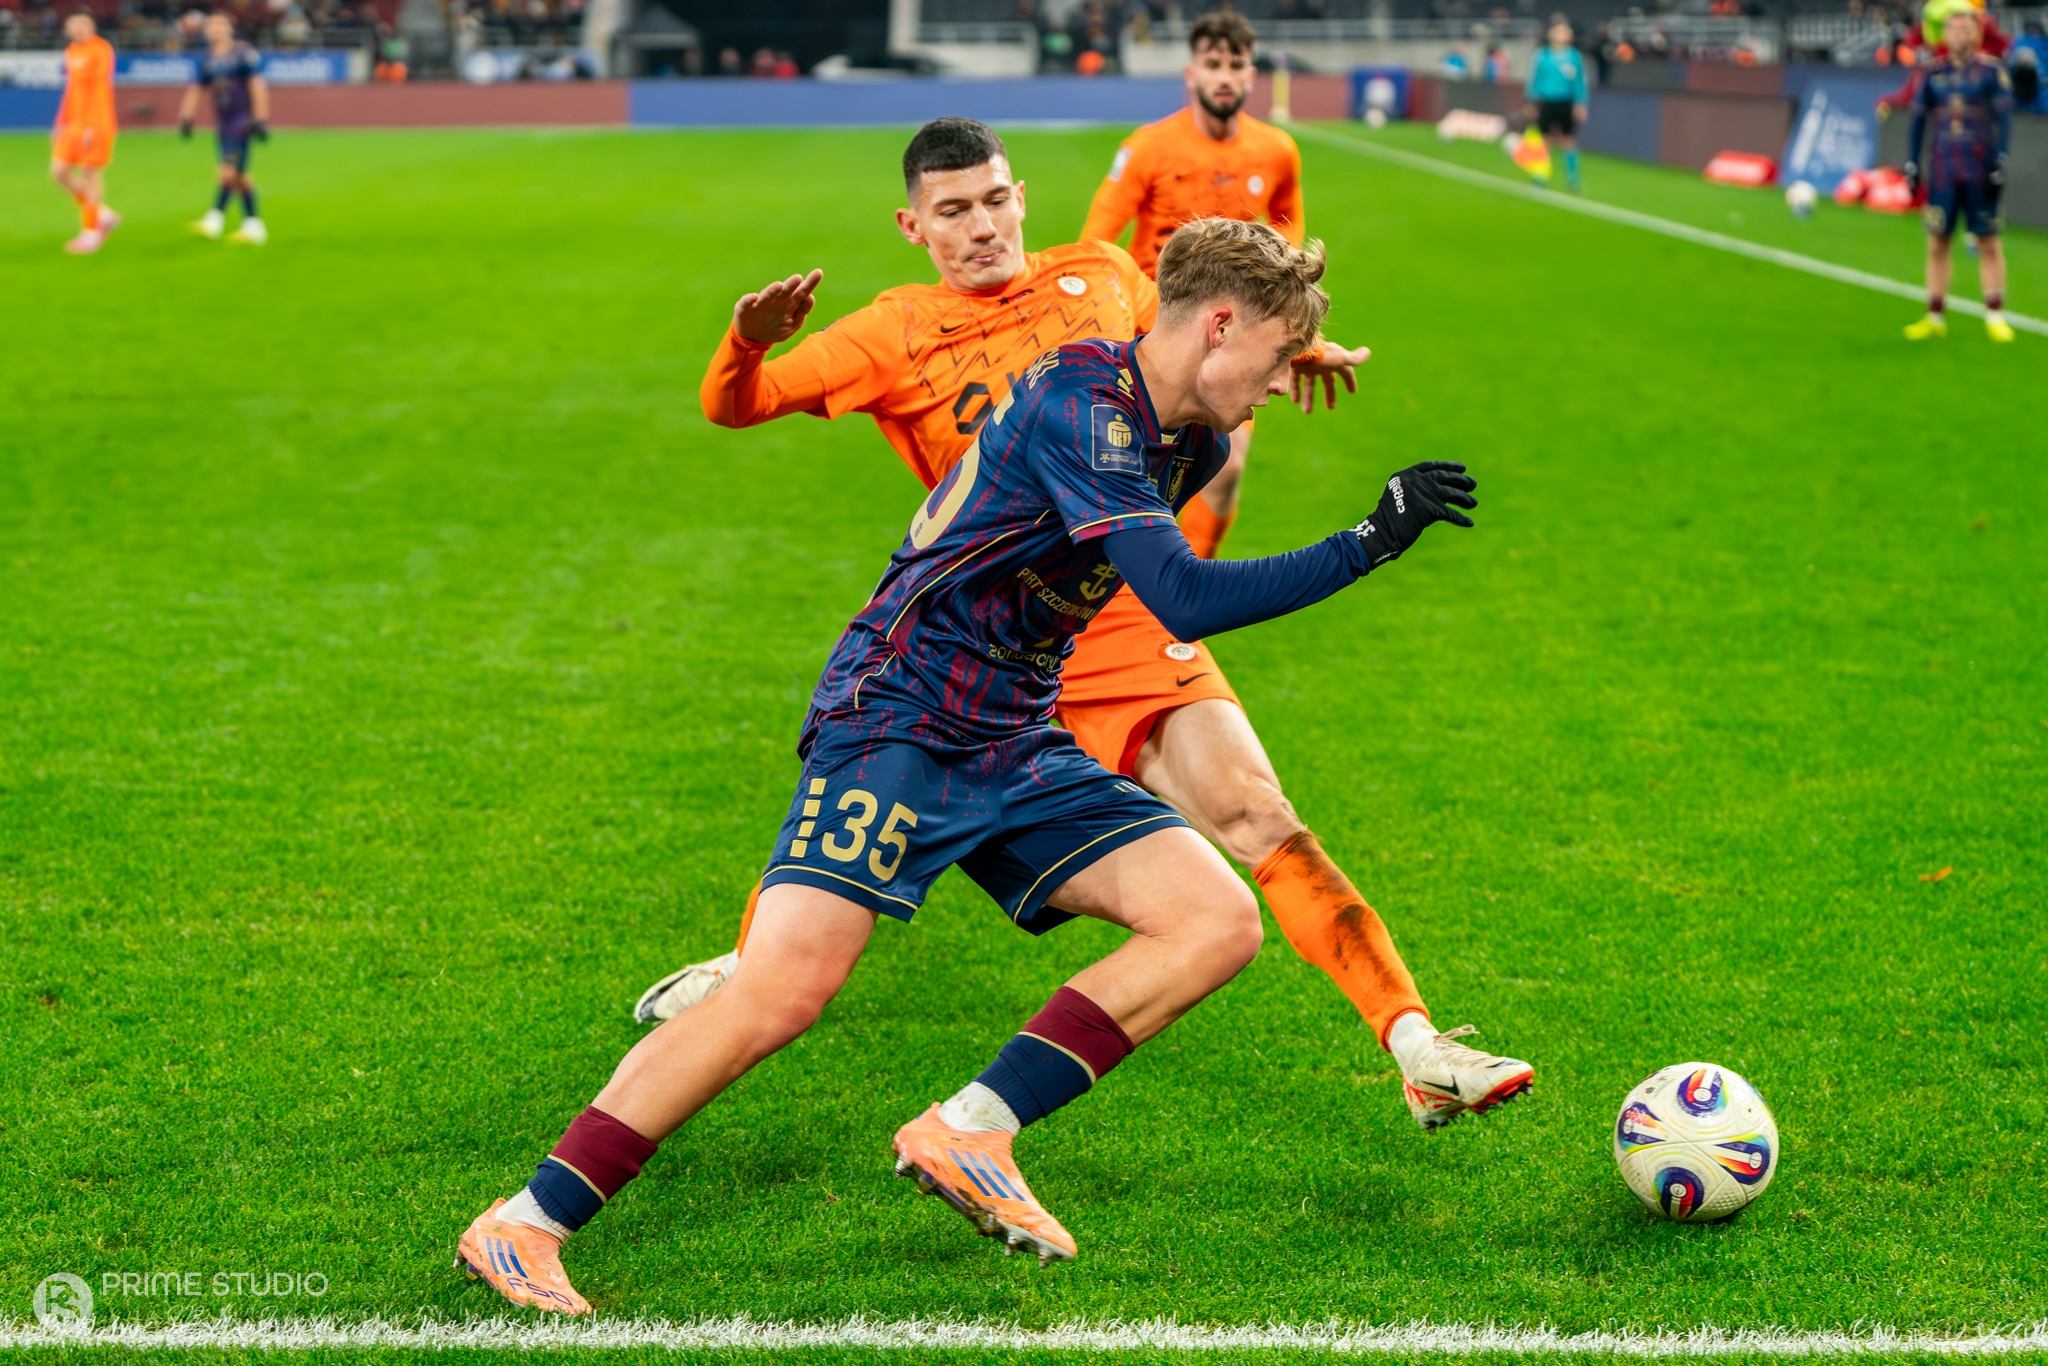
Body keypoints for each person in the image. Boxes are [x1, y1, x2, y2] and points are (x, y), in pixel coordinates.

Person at [456, 210, 1485, 1314]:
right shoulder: (1082, 407)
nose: (1284, 381)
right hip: (899, 715)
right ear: (1220, 326)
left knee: (1214, 919)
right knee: (779, 992)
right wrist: (1370, 539)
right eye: (1277, 355)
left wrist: (1278, 345)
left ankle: (969, 1128)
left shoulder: (1183, 434)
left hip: (1013, 729)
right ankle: (523, 1223)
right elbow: (1182, 596)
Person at [639, 119, 1533, 1136]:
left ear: (1020, 196)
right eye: (951, 212)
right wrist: (747, 342)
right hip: (981, 636)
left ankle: (1417, 1046)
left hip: (1122, 608)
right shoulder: (889, 331)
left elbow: (1202, 336)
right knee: (871, 798)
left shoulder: (1102, 273)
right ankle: (754, 965)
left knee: (1256, 813)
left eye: (992, 201)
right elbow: (737, 404)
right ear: (912, 226)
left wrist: (1295, 347)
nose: (980, 227)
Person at [1902, 8, 2016, 343]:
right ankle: (1934, 316)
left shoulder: (1991, 72)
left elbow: (2005, 119)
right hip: (1944, 170)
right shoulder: (1932, 74)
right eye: (1954, 28)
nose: (1960, 34)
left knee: (1988, 241)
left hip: (1980, 169)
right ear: (1944, 34)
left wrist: (2001, 159)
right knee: (1937, 242)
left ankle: (1995, 315)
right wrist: (1912, 163)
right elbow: (1917, 121)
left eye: (1967, 28)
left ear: (1977, 33)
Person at [179, 12, 271, 245]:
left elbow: (256, 84)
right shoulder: (206, 59)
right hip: (224, 124)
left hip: (242, 122)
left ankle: (214, 220)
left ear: (231, 28)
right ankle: (254, 226)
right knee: (239, 176)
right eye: (211, 24)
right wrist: (187, 117)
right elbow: (196, 88)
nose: (216, 28)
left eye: (221, 24)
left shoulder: (243, 54)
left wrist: (261, 118)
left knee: (227, 172)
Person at [50, 8, 120, 256]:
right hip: (75, 123)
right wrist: (61, 121)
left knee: (90, 174)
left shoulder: (100, 49)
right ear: (67, 28)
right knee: (59, 171)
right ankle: (102, 214)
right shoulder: (71, 51)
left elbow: (99, 88)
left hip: (96, 122)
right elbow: (72, 88)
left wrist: (91, 125)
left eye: (83, 24)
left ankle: (91, 232)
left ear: (92, 27)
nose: (78, 29)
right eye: (74, 24)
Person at [1524, 19, 1589, 192]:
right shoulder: (1542, 55)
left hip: (1566, 102)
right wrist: (1531, 101)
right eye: (1558, 31)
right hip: (1546, 101)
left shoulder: (1574, 56)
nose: (1561, 35)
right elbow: (1534, 78)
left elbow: (1580, 81)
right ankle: (1540, 175)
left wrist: (1581, 103)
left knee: (1568, 140)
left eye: (1564, 31)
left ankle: (1572, 178)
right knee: (1544, 140)